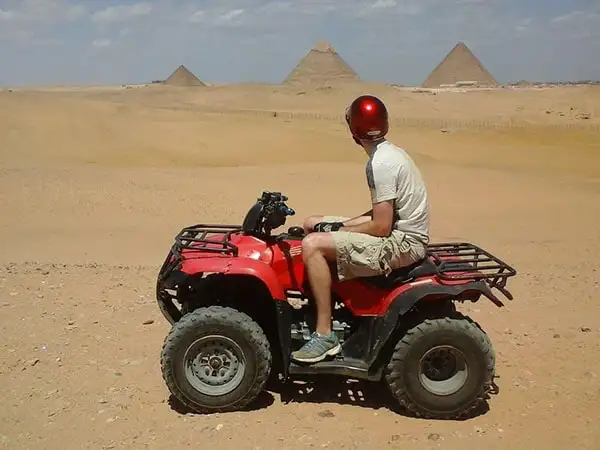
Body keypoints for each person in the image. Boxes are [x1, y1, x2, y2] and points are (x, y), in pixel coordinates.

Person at [291, 94, 430, 364]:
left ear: (355, 130)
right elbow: (383, 212)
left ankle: (324, 334)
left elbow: (380, 226)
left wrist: (335, 233)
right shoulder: (391, 153)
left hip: (402, 242)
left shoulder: (380, 164)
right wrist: (337, 226)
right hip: (398, 231)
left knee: (312, 245)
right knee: (311, 223)